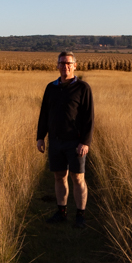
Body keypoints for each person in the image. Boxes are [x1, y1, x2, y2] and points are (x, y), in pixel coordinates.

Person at [36, 51, 94, 228]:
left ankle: (80, 215)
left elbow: (89, 118)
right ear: (57, 66)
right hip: (55, 141)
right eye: (61, 63)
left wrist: (85, 142)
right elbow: (44, 114)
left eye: (68, 63)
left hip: (75, 142)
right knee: (59, 176)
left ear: (75, 66)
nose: (65, 67)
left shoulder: (83, 88)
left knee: (78, 178)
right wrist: (40, 137)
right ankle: (61, 212)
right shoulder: (51, 88)